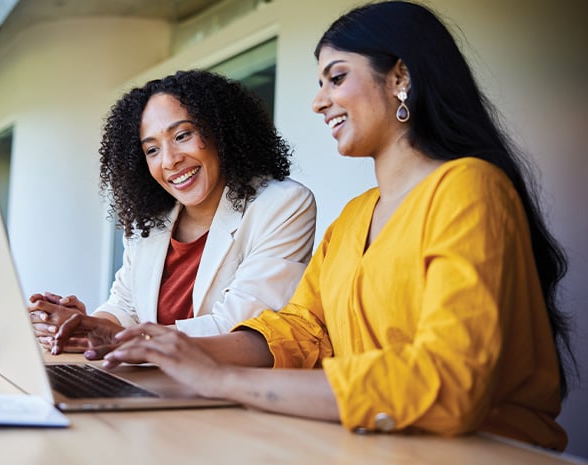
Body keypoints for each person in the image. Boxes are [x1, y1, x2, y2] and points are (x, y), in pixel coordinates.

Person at [81, 1, 575, 451]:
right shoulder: (356, 215)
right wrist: (175, 348)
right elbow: (298, 330)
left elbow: (448, 382)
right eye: (320, 84)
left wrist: (222, 380)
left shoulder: (469, 188)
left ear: (400, 76)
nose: (319, 102)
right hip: (372, 442)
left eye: (335, 78)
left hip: (484, 450)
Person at [30, 69, 317, 354]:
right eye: (152, 150)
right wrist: (83, 326)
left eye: (182, 135)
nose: (169, 160)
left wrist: (120, 337)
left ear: (221, 131)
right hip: (149, 382)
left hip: (225, 390)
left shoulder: (283, 204)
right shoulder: (151, 222)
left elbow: (242, 326)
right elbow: (124, 307)